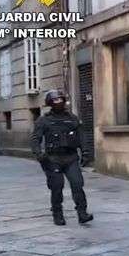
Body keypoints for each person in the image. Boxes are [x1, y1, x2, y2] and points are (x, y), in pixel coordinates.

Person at [30, 89, 94, 226]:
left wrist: (85, 152)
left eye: (60, 99)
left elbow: (82, 136)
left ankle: (82, 213)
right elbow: (35, 139)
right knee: (57, 187)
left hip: (70, 157)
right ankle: (57, 214)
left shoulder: (72, 118)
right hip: (53, 158)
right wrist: (39, 154)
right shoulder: (44, 120)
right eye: (55, 100)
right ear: (50, 103)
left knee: (77, 184)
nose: (58, 102)